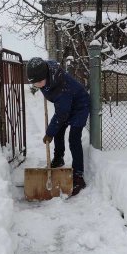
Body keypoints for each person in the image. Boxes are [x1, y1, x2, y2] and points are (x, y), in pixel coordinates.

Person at [26, 57, 90, 196]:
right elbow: (61, 111)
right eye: (34, 83)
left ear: (45, 76)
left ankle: (79, 175)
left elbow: (62, 114)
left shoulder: (61, 85)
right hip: (66, 105)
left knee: (74, 139)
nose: (37, 85)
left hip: (79, 106)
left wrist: (49, 132)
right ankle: (58, 158)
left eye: (38, 82)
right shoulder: (46, 77)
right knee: (59, 132)